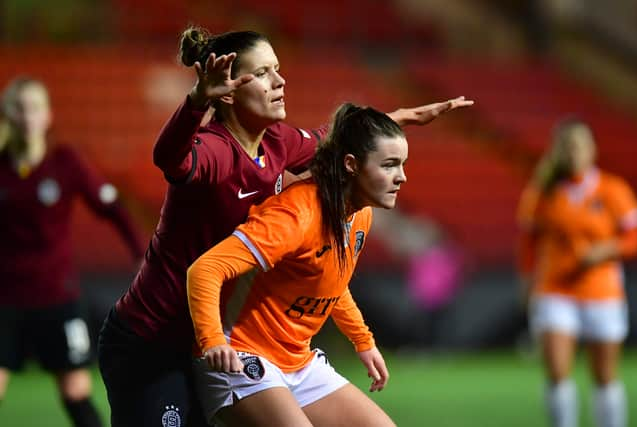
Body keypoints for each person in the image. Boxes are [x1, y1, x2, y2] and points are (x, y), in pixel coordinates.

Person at [97, 26, 473, 427]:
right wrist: (194, 103)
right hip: (154, 336)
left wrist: (397, 120)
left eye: (277, 69)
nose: (279, 81)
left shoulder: (279, 141)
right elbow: (169, 158)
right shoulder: (215, 150)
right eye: (261, 73)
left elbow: (338, 145)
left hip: (213, 338)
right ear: (226, 92)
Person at [187, 102, 405, 426]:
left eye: (401, 165)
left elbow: (330, 282)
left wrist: (363, 341)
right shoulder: (295, 216)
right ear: (351, 165)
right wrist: (213, 341)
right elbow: (204, 270)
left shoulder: (360, 214)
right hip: (241, 356)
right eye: (389, 165)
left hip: (297, 361)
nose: (401, 177)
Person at [0, 77, 145, 427]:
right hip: (5, 300)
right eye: (19, 108)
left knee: (76, 393)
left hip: (57, 297)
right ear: (7, 114)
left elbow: (112, 207)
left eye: (35, 107)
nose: (27, 116)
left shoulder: (66, 163)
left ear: (48, 115)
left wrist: (142, 252)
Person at [516, 118, 637, 427]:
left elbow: (634, 236)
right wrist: (527, 282)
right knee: (557, 373)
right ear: (556, 151)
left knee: (605, 376)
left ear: (592, 150)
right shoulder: (543, 192)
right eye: (567, 147)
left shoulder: (613, 189)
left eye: (579, 146)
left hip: (602, 291)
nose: (573, 153)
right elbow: (529, 243)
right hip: (555, 290)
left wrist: (608, 250)